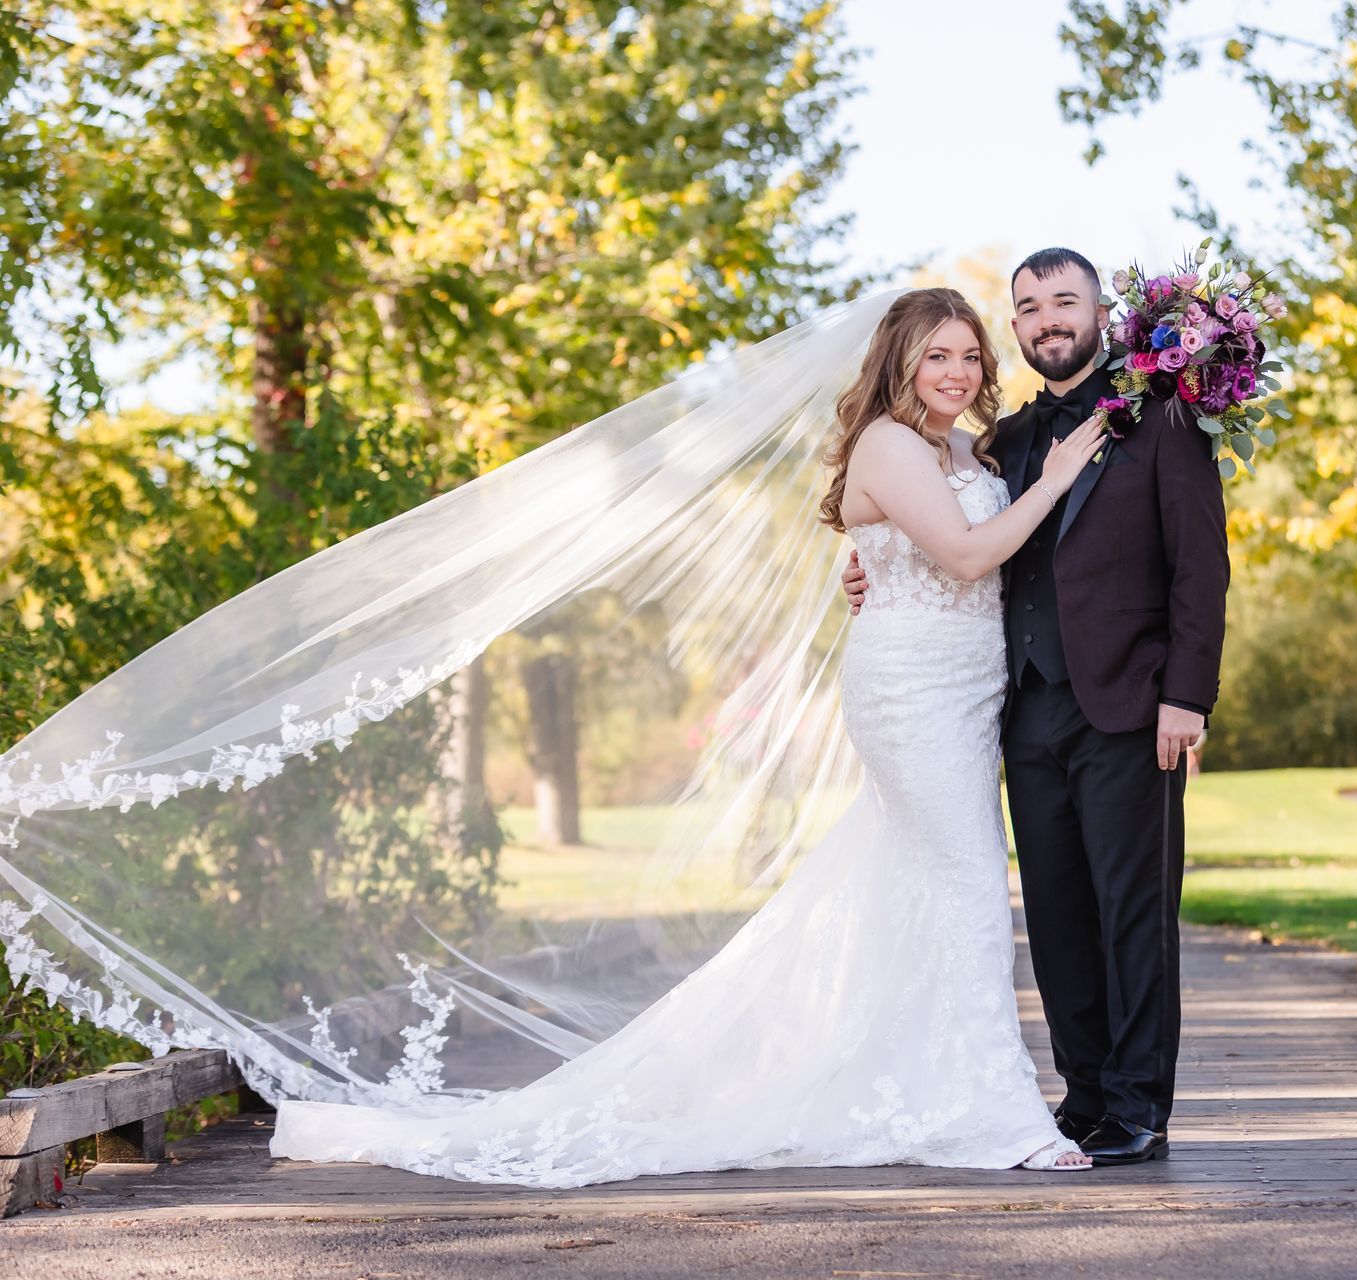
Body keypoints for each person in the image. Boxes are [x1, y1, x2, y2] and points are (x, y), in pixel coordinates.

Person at [265, 288, 1110, 1183]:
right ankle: (999, 1114)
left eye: (971, 356)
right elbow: (970, 554)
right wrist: (1055, 479)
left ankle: (914, 1079)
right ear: (899, 362)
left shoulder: (954, 447)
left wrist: (872, 570)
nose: (959, 372)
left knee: (923, 883)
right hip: (911, 691)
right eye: (937, 355)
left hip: (967, 689)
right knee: (971, 879)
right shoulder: (893, 442)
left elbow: (919, 550)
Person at [843, 249, 1231, 1165]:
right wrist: (863, 569)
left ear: (1101, 312)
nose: (1048, 319)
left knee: (1132, 909)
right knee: (1054, 915)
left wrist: (1188, 694)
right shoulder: (1005, 444)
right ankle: (1085, 1092)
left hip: (1132, 705)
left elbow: (1201, 569)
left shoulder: (1166, 420)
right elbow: (938, 531)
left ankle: (1138, 1104)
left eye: (1066, 301)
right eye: (1029, 308)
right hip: (1016, 709)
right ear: (1016, 330)